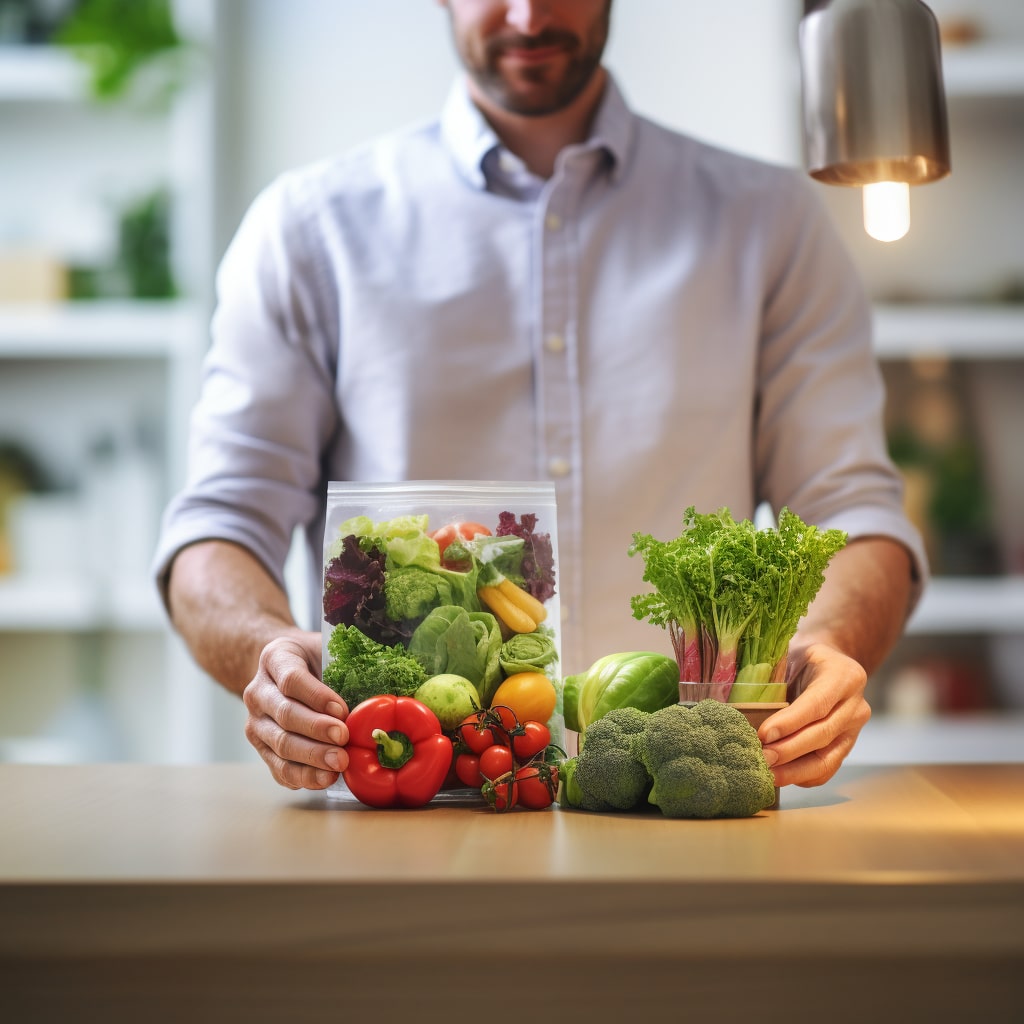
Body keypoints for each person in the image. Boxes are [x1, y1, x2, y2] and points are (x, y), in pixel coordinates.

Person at [154, 0, 926, 794]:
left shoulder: (772, 222)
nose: (527, 16)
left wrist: (828, 641)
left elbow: (854, 511)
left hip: (679, 805)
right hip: (415, 806)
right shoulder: (308, 228)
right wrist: (268, 650)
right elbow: (218, 525)